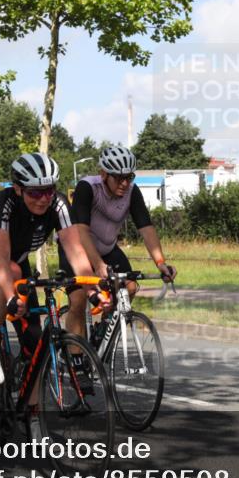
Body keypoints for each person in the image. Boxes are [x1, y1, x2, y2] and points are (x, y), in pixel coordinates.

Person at [0, 153, 107, 432]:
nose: (44, 198)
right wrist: (12, 298)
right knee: (11, 273)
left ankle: (32, 415)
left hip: (16, 261)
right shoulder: (3, 204)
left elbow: (76, 253)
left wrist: (93, 289)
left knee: (35, 344)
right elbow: (2, 263)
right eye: (35, 192)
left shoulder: (59, 204)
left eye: (49, 190)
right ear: (18, 189)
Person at [59, 145, 177, 339]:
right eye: (119, 178)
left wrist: (161, 263)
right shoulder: (87, 187)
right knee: (79, 300)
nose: (125, 183)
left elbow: (146, 228)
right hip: (76, 249)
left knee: (129, 287)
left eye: (129, 177)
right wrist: (98, 264)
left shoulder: (132, 192)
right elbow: (81, 231)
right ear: (104, 174)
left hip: (107, 248)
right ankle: (77, 356)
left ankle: (104, 328)